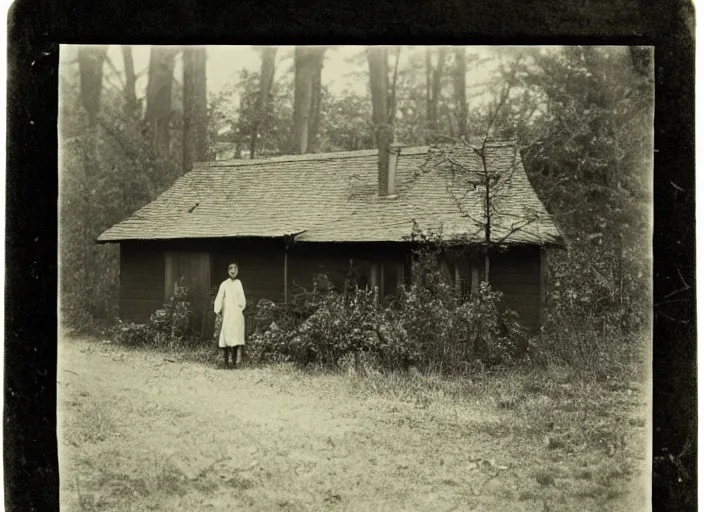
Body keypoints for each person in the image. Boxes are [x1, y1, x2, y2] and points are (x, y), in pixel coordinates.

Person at [214, 262, 247, 368]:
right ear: (228, 271)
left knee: (236, 337)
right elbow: (219, 297)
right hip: (227, 314)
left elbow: (242, 298)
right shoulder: (224, 284)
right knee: (226, 336)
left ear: (237, 271)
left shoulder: (239, 283)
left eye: (235, 270)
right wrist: (218, 309)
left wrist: (241, 308)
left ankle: (234, 362)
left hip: (236, 315)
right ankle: (225, 362)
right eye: (231, 270)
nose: (233, 272)